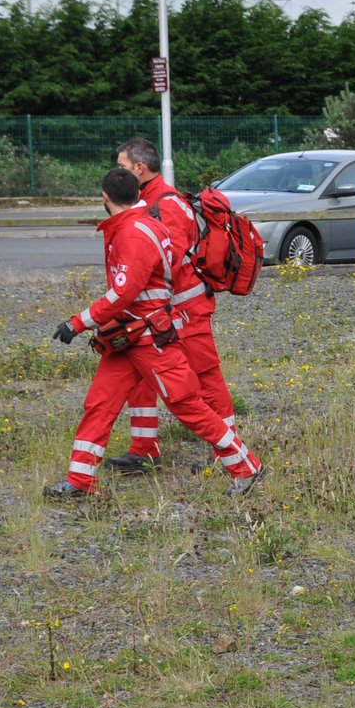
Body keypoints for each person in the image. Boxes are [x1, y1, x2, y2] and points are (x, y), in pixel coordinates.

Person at [44, 168, 263, 499]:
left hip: (146, 338)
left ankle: (246, 467)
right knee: (100, 403)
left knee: (188, 405)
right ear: (137, 193)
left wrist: (79, 322)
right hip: (130, 338)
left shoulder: (133, 233)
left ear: (105, 197)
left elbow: (124, 291)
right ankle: (79, 480)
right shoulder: (146, 223)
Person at [106, 138, 239, 474]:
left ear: (139, 168)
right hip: (160, 312)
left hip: (184, 309)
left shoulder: (164, 204)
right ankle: (144, 449)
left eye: (121, 166)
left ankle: (229, 451)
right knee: (140, 377)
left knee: (206, 377)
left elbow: (168, 261)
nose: (115, 173)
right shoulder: (147, 202)